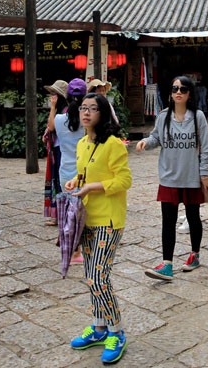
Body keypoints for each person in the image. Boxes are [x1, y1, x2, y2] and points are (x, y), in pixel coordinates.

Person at [65, 93, 132, 364]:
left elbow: (124, 180)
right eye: (83, 108)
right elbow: (85, 173)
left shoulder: (113, 144)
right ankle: (99, 326)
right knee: (90, 275)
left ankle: (116, 331)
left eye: (93, 108)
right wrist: (75, 181)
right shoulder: (83, 143)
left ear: (102, 113)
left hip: (109, 219)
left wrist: (92, 187)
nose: (86, 113)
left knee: (98, 277)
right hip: (87, 218)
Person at [136, 75, 208, 280]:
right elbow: (156, 137)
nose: (178, 92)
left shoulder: (197, 117)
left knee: (193, 217)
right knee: (168, 221)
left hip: (191, 176)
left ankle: (195, 254)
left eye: (183, 89)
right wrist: (146, 142)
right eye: (175, 88)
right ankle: (167, 264)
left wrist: (204, 173)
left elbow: (206, 147)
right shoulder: (163, 116)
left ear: (189, 94)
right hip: (169, 176)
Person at [48, 78, 87, 262]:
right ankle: (77, 250)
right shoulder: (87, 120)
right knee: (82, 212)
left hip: (65, 171)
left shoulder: (59, 119)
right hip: (83, 171)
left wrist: (53, 107)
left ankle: (71, 249)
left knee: (70, 211)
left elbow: (50, 127)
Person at [42, 79, 69, 226]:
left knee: (60, 181)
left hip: (62, 150)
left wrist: (52, 107)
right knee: (55, 180)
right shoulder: (59, 110)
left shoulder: (65, 111)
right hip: (56, 149)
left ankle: (62, 214)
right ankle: (57, 214)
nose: (51, 97)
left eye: (54, 94)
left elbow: (52, 127)